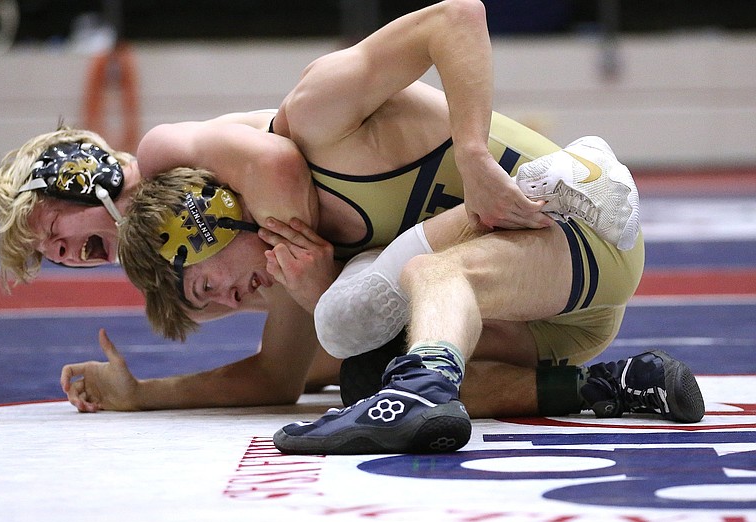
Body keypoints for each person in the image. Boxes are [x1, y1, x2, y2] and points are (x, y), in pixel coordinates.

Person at [109, 0, 698, 438]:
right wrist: (139, 394)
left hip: (584, 230)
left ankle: (422, 394)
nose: (232, 298)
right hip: (555, 327)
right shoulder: (294, 258)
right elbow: (277, 379)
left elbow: (457, 17)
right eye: (216, 305)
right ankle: (614, 384)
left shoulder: (317, 118)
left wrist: (471, 153)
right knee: (367, 369)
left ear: (206, 220)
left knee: (401, 291)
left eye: (209, 286)